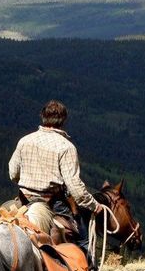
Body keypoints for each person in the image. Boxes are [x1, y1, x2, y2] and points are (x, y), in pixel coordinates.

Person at [8, 100, 101, 257]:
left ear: (43, 117)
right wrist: (94, 205)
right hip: (53, 203)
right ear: (63, 120)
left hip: (24, 199)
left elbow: (13, 173)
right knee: (84, 239)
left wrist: (28, 183)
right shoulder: (66, 147)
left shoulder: (24, 140)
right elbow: (75, 188)